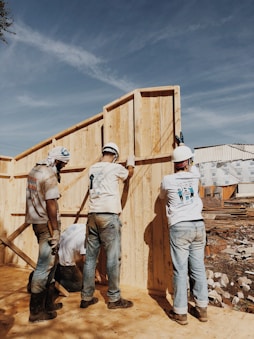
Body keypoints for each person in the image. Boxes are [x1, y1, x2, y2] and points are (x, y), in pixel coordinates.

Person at [80, 142, 135, 309]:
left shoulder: (92, 168)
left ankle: (86, 297)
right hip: (108, 216)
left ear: (103, 152)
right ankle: (114, 299)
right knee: (112, 258)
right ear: (115, 156)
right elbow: (129, 174)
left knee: (90, 259)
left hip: (92, 216)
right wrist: (131, 162)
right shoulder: (115, 167)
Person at [159, 144, 208, 325]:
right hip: (198, 225)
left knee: (180, 269)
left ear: (174, 164)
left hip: (180, 227)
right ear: (188, 162)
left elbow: (162, 196)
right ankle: (202, 309)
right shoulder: (195, 176)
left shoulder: (167, 180)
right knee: (198, 268)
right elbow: (193, 166)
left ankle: (180, 312)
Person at [25, 146, 70, 322]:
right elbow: (51, 203)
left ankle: (48, 303)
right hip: (47, 225)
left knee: (51, 263)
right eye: (63, 164)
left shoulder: (34, 170)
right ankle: (36, 312)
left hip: (36, 222)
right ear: (57, 160)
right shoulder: (49, 175)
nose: (64, 167)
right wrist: (56, 230)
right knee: (44, 266)